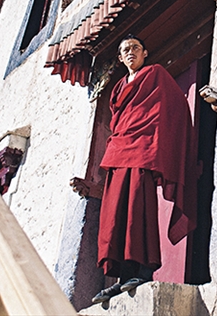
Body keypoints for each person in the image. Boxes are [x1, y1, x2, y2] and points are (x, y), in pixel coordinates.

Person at [70, 35, 197, 304]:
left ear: (145, 53)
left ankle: (144, 268)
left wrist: (163, 146)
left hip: (142, 151)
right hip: (118, 152)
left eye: (135, 48)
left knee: (138, 208)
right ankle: (121, 276)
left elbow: (175, 107)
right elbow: (118, 119)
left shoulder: (155, 74)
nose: (131, 53)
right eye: (125, 50)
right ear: (120, 57)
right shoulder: (117, 88)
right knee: (114, 214)